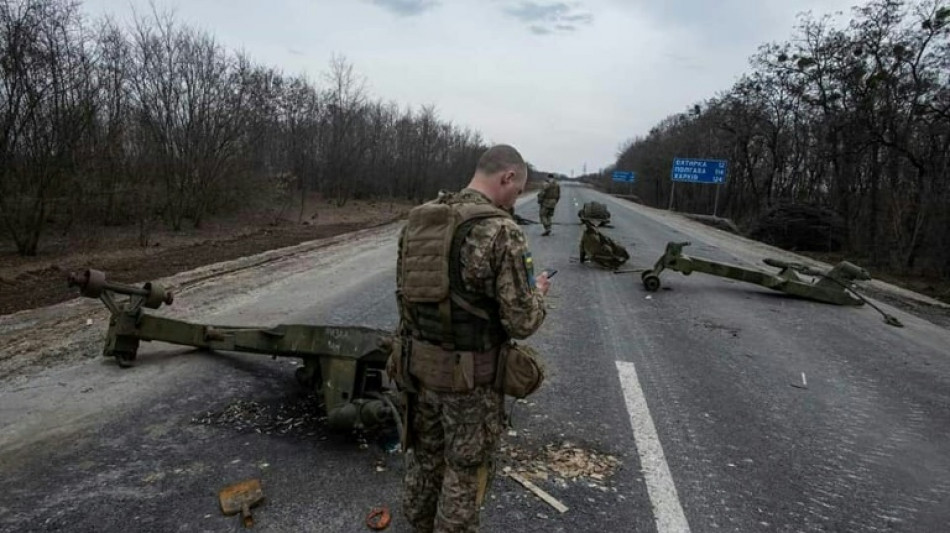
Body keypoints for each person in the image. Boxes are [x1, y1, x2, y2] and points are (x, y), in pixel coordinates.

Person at [395, 144, 551, 532]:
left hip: (417, 368)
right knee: (464, 471)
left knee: (425, 457)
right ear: (507, 177)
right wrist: (539, 297)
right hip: (470, 384)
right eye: (517, 190)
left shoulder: (419, 220)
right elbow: (521, 322)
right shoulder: (501, 231)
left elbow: (406, 297)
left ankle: (416, 524)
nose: (516, 199)